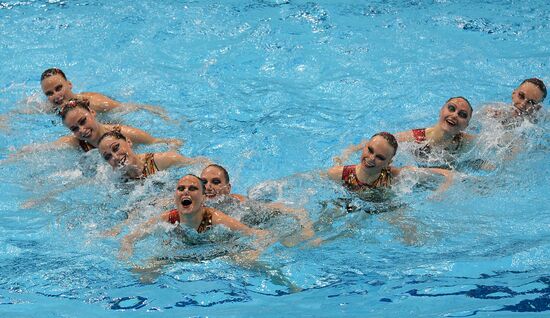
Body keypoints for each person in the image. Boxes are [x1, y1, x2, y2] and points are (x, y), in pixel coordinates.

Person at [119, 174, 266, 260]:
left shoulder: (215, 218)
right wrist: (126, 249)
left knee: (244, 261)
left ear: (203, 197)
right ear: (175, 197)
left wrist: (256, 251)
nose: (185, 192)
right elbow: (130, 237)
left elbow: (257, 235)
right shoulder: (168, 218)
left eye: (193, 188)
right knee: (147, 270)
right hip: (181, 253)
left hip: (218, 251)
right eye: (181, 189)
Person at [14, 98, 181, 155]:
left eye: (82, 121)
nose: (81, 130)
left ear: (92, 113)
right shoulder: (76, 142)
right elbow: (41, 149)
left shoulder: (123, 133)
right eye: (74, 128)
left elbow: (164, 142)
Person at [334, 97, 474, 164]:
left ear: (466, 125)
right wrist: (346, 154)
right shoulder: (414, 138)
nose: (454, 115)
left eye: (462, 115)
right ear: (441, 111)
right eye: (451, 108)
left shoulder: (465, 141)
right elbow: (377, 142)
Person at [328, 132, 453, 193]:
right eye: (370, 150)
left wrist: (441, 191)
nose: (371, 158)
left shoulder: (395, 175)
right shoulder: (338, 174)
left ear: (389, 162)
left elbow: (447, 174)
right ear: (364, 146)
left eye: (380, 157)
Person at [40, 68, 170, 118]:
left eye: (59, 88)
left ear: (69, 84)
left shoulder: (96, 103)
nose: (56, 96)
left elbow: (130, 107)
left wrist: (161, 114)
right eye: (49, 93)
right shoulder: (54, 106)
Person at [98, 131, 207, 180]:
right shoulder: (116, 179)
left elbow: (201, 162)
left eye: (116, 148)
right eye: (108, 157)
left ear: (129, 142)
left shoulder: (164, 160)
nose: (115, 157)